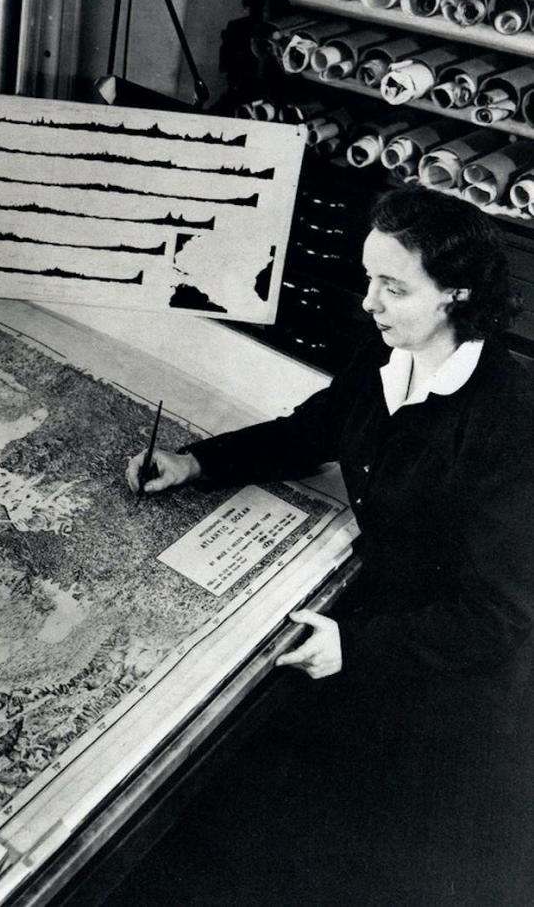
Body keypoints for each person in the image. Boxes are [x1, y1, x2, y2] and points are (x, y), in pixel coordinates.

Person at [124, 186, 534, 905]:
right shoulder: (391, 354)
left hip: (455, 678)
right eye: (368, 277)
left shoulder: (510, 420)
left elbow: (497, 616)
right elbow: (310, 430)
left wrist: (356, 647)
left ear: (456, 294)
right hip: (383, 615)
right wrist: (196, 462)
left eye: (393, 286)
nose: (368, 302)